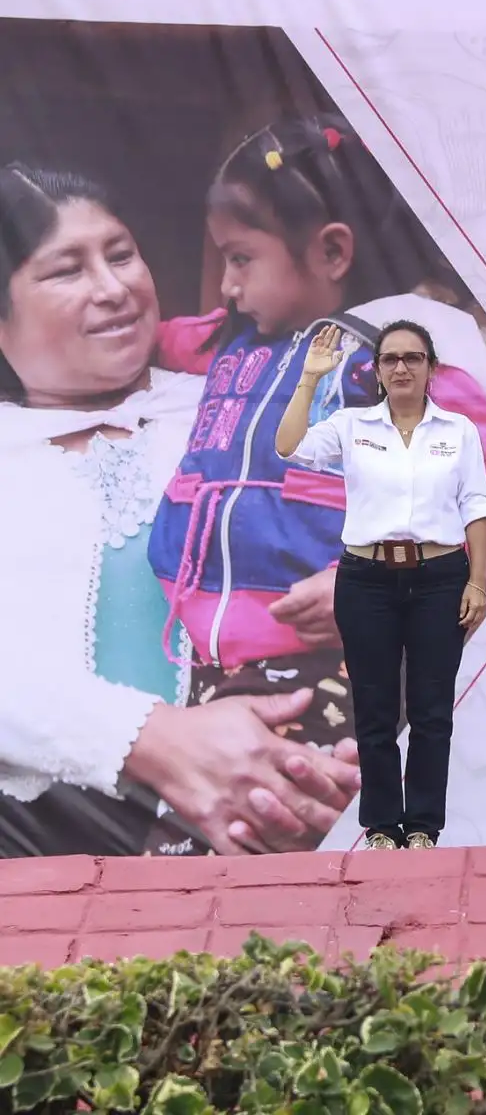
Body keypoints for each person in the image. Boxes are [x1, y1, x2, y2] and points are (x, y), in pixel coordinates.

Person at [143, 113, 486, 853]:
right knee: (205, 851)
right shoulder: (237, 342)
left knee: (264, 845)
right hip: (219, 671)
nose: (227, 282)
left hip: (336, 663)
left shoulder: (397, 353)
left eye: (241, 257)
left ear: (333, 251)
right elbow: (153, 336)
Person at [0, 161, 361, 858]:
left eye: (121, 254)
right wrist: (152, 738)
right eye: (66, 270)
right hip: (36, 841)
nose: (114, 289)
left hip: (282, 804)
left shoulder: (237, 409)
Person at [275, 320, 486, 850]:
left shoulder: (458, 431)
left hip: (440, 578)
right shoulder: (352, 425)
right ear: (376, 370)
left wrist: (479, 582)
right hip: (366, 579)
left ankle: (422, 825)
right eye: (390, 359)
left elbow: (476, 505)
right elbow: (289, 446)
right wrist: (309, 380)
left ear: (430, 368)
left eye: (412, 358)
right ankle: (381, 826)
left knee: (430, 708)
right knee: (373, 706)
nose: (401, 368)